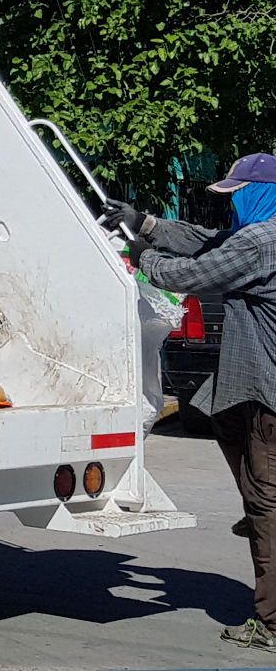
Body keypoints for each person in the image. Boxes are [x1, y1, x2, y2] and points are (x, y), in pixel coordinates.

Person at [104, 153, 276, 653]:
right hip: (248, 387)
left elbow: (195, 273)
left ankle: (270, 622)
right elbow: (207, 240)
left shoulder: (262, 240)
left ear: (259, 193)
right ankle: (258, 509)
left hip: (266, 393)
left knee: (267, 500)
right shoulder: (258, 235)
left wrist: (140, 255)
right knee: (217, 412)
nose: (232, 205)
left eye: (237, 195)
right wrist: (147, 223)